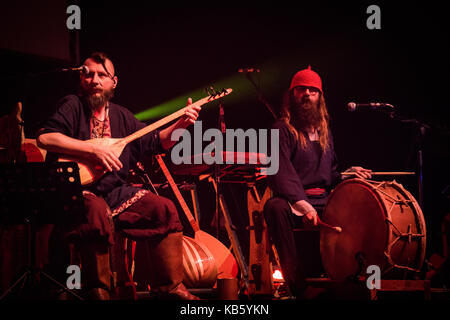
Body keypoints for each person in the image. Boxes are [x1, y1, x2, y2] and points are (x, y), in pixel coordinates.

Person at [36, 52, 202, 300]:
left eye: (102, 75)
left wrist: (182, 124)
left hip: (115, 193)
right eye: (88, 74)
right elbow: (45, 138)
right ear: (81, 80)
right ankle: (100, 292)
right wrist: (93, 147)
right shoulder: (72, 105)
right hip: (77, 193)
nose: (94, 80)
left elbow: (156, 143)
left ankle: (170, 289)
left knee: (164, 208)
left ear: (114, 82)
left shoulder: (122, 116)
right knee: (95, 211)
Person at [263, 66, 372, 298]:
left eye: (312, 90)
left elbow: (329, 175)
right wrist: (304, 206)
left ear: (319, 97)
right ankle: (296, 284)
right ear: (292, 95)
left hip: (324, 199)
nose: (307, 94)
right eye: (301, 89)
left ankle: (353, 277)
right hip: (295, 202)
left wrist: (349, 174)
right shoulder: (280, 130)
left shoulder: (324, 132)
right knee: (274, 207)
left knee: (356, 205)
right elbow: (281, 174)